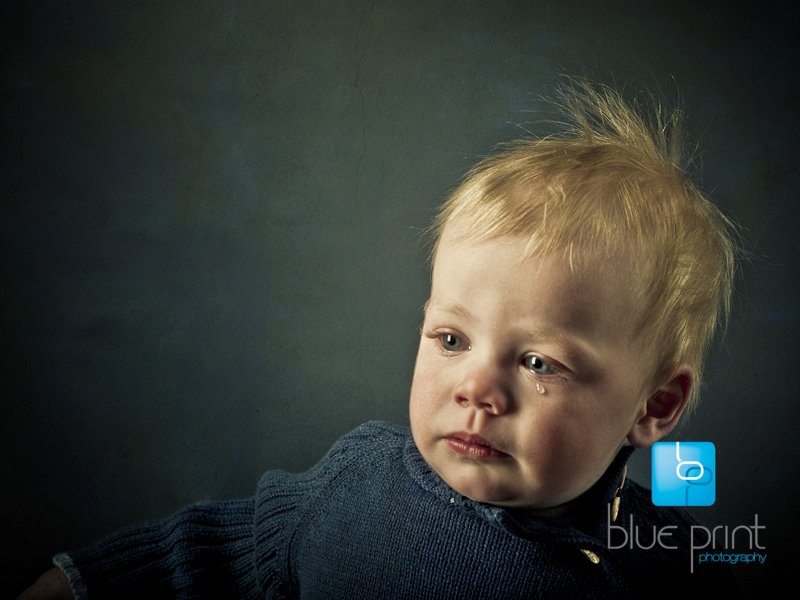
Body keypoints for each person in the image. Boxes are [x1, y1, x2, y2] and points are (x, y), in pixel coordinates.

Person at [19, 79, 744, 599]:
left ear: (655, 404)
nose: (477, 390)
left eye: (536, 362)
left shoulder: (668, 559)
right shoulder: (360, 484)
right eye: (452, 340)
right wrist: (79, 581)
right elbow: (209, 551)